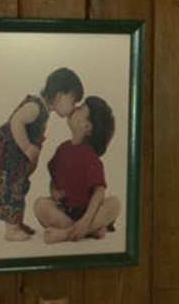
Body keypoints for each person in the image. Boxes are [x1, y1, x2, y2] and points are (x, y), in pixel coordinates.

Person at [0, 67, 87, 238]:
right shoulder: (35, 107)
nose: (74, 107)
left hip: (13, 156)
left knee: (20, 187)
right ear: (59, 95)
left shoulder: (43, 110)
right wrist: (27, 147)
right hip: (2, 154)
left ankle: (17, 223)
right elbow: (16, 121)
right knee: (12, 188)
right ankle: (11, 230)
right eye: (73, 101)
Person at [34, 93, 123, 245]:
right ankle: (88, 231)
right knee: (40, 205)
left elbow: (99, 192)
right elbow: (53, 181)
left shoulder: (89, 155)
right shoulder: (62, 149)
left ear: (86, 126)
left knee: (115, 204)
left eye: (81, 108)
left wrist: (87, 219)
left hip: (89, 212)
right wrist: (54, 193)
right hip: (66, 212)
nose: (75, 107)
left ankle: (68, 233)